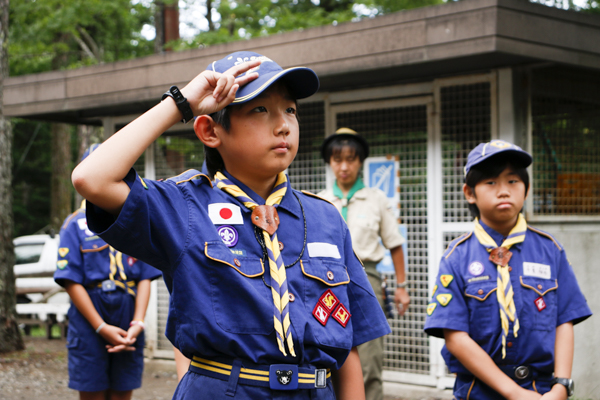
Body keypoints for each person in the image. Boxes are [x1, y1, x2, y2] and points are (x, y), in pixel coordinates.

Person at [71, 51, 391, 399]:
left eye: (290, 110)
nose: (283, 124)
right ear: (210, 131)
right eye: (259, 109)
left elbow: (350, 346)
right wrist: (181, 102)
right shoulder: (185, 206)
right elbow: (92, 178)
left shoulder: (325, 218)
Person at [424, 140, 592, 399]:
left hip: (541, 390)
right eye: (491, 182)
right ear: (470, 193)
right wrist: (513, 392)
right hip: (478, 391)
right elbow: (455, 336)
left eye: (513, 181)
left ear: (526, 190)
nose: (503, 191)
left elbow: (564, 321)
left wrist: (561, 386)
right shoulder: (456, 257)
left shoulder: (550, 250)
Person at [54, 144, 162, 400]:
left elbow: (145, 276)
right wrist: (100, 326)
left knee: (123, 389)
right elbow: (71, 281)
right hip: (90, 314)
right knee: (92, 390)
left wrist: (138, 322)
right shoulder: (74, 225)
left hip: (128, 313)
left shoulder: (135, 221)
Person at [318, 128, 409, 400]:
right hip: (326, 282)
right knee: (328, 354)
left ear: (361, 161)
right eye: (337, 159)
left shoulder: (376, 199)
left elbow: (394, 244)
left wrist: (402, 287)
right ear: (330, 162)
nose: (344, 166)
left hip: (367, 281)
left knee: (369, 360)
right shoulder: (320, 201)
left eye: (351, 159)